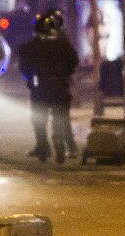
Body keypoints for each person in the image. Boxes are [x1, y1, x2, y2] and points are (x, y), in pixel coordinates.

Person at [18, 9, 79, 163]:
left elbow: (24, 67)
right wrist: (65, 73)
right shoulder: (63, 45)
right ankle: (58, 141)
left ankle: (43, 146)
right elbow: (73, 62)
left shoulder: (31, 47)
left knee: (39, 118)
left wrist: (30, 80)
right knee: (60, 116)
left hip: (40, 87)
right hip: (59, 85)